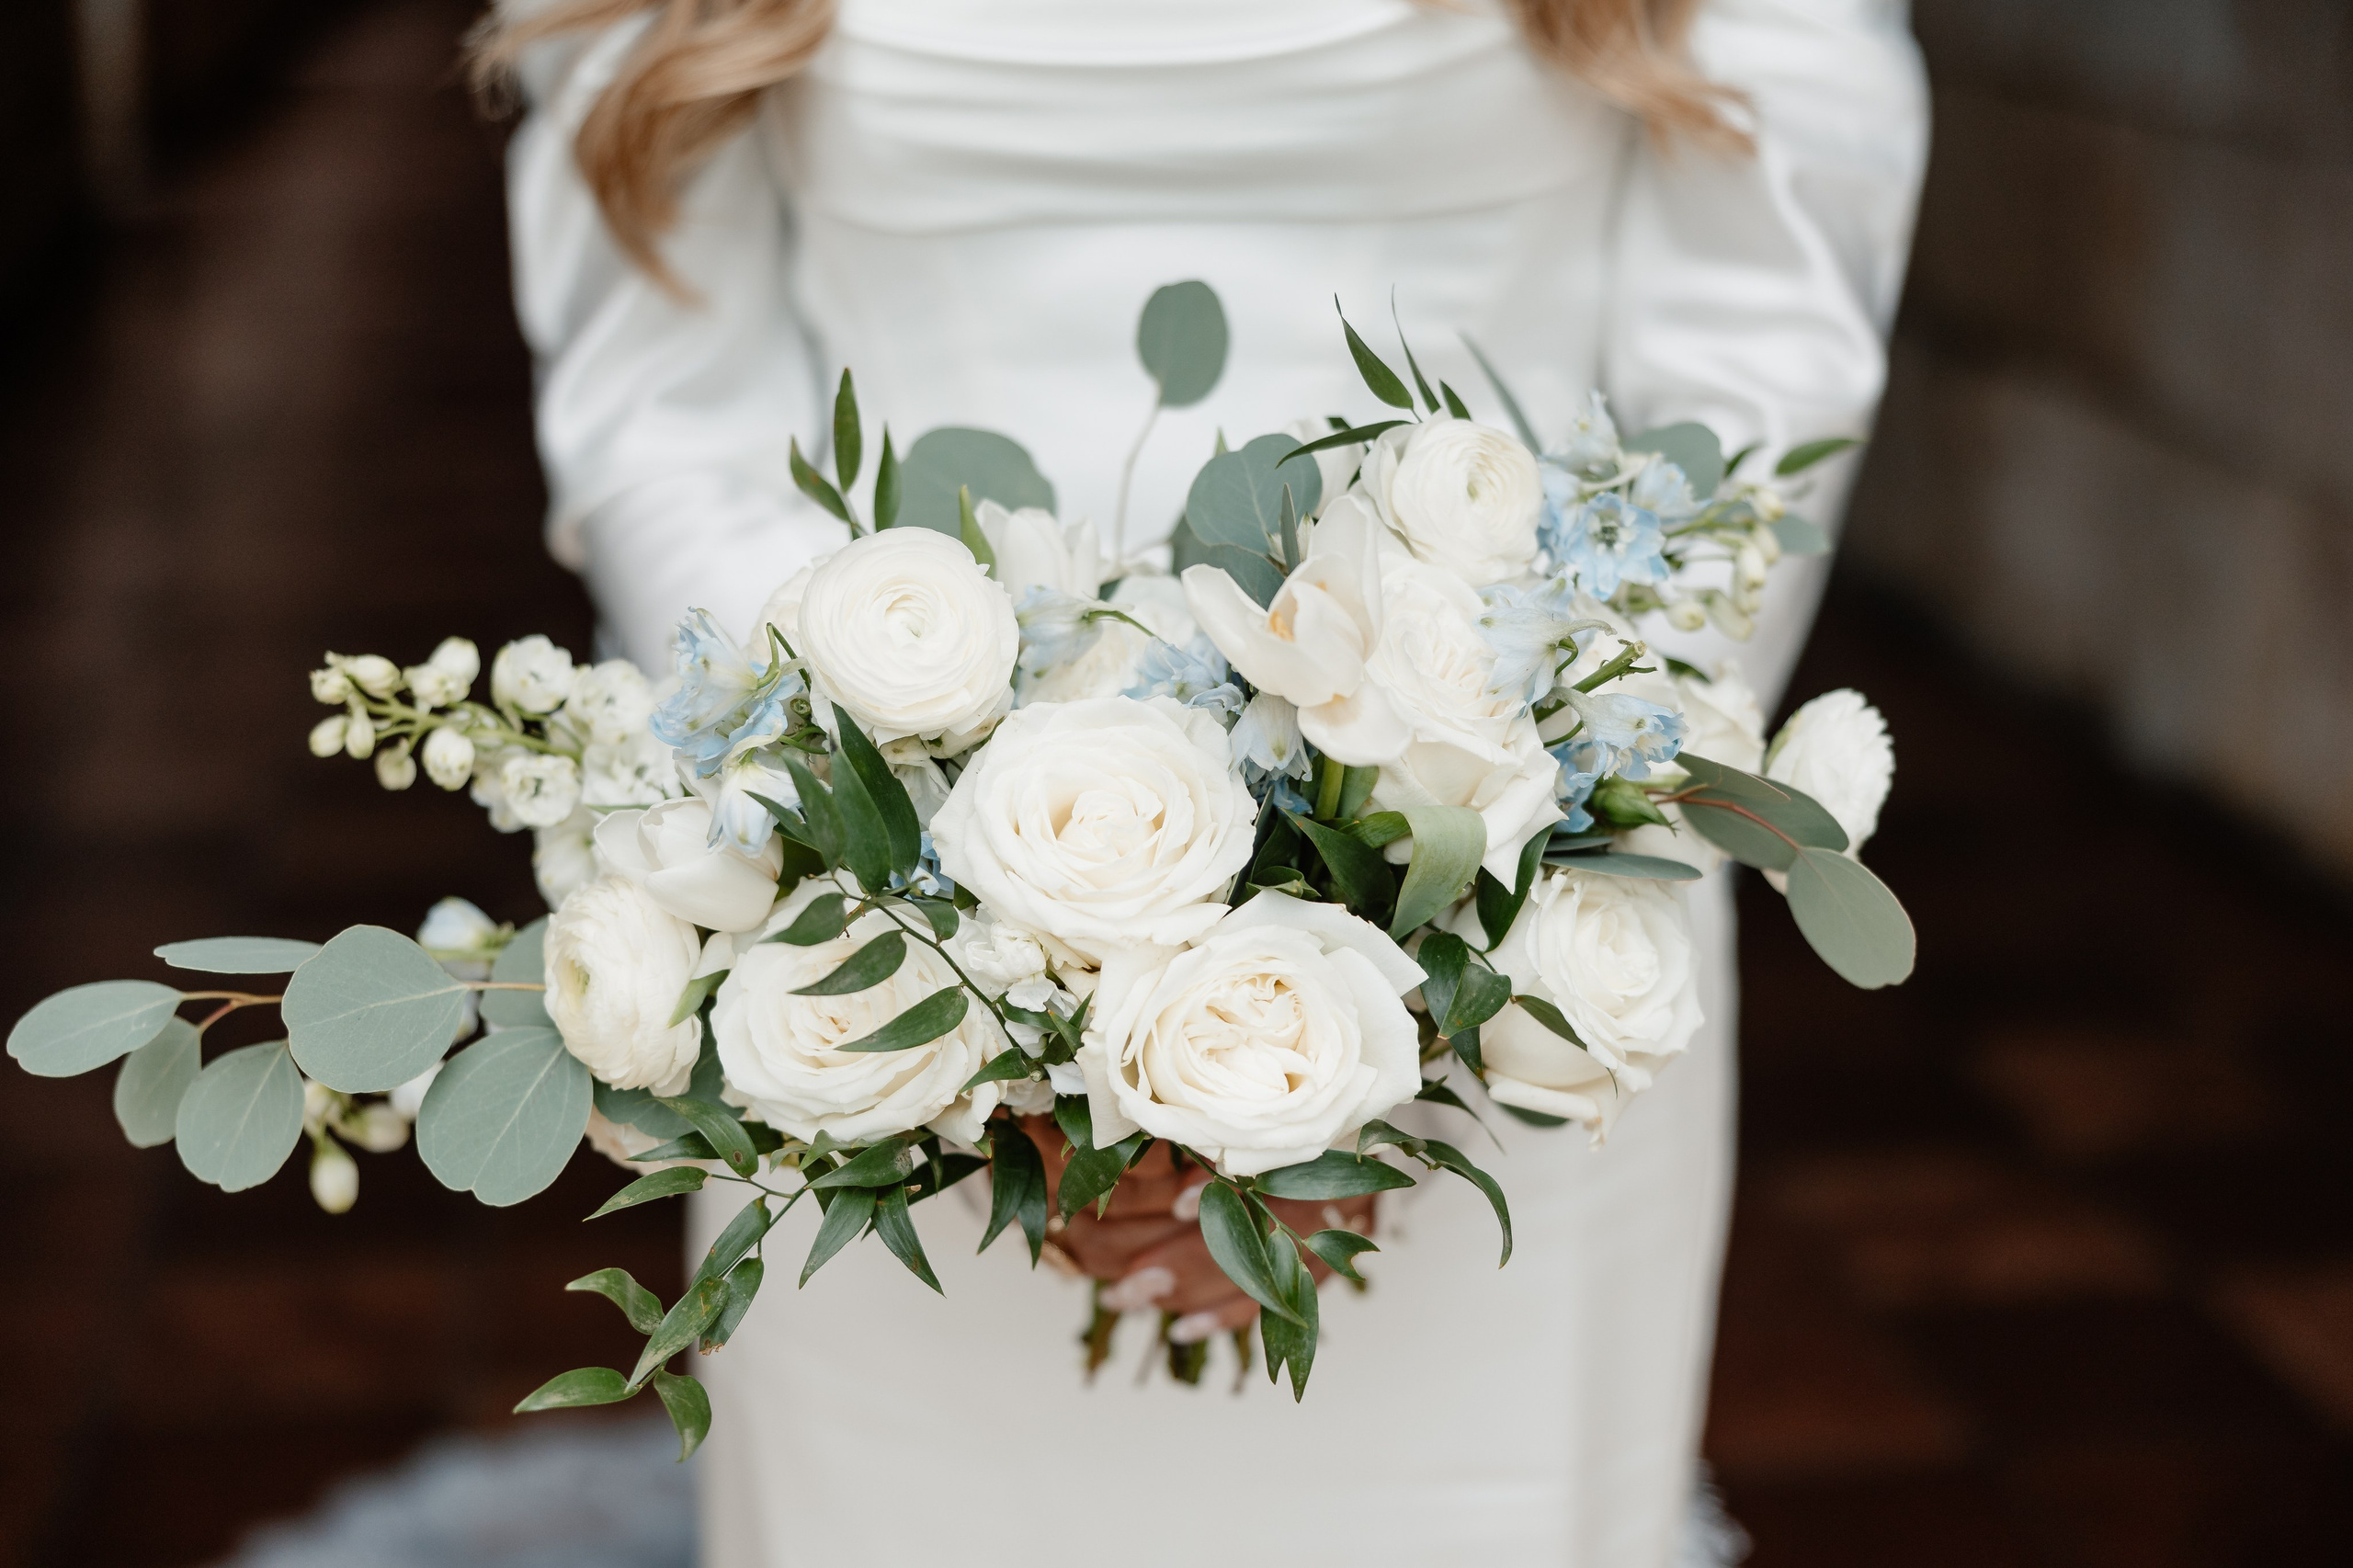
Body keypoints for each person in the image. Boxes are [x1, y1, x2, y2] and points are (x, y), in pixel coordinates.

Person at [486, 0, 1927, 1562]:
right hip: (877, 1008)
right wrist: (960, 972)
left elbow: (1753, 358)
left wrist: (1447, 946)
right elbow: (668, 399)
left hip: (1512, 964)